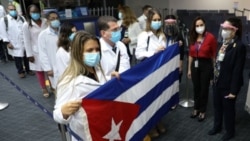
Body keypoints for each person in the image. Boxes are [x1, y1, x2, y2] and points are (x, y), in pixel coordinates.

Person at [53, 31, 107, 141]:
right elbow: (57, 114)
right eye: (89, 50)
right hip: (84, 134)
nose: (95, 53)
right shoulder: (69, 82)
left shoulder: (98, 69)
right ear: (78, 53)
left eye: (97, 49)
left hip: (104, 128)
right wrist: (64, 111)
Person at [208, 17, 246, 141]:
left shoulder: (239, 46)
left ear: (234, 31)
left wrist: (233, 91)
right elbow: (217, 63)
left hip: (229, 85)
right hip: (217, 81)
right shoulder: (222, 43)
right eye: (223, 28)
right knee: (217, 106)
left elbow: (237, 70)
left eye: (226, 28)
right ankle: (217, 127)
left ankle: (230, 131)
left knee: (228, 109)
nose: (223, 30)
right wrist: (212, 78)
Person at [136, 8, 166, 138]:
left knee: (158, 97)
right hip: (148, 72)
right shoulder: (144, 35)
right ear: (149, 21)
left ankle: (158, 120)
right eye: (155, 20)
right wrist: (154, 53)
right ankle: (150, 126)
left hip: (159, 71)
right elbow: (138, 55)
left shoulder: (162, 35)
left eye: (159, 20)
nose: (157, 22)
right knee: (149, 99)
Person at [188, 16, 217, 121]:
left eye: (201, 25)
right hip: (195, 64)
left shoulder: (211, 37)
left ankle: (202, 110)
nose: (199, 27)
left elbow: (213, 55)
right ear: (194, 27)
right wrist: (189, 69)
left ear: (204, 25)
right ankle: (196, 108)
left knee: (204, 89)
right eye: (197, 26)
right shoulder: (192, 37)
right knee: (196, 88)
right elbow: (190, 54)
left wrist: (214, 71)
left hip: (206, 64)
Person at [0, 4, 33, 78]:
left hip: (24, 40)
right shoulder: (4, 20)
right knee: (18, 58)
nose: (13, 11)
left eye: (14, 9)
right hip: (14, 42)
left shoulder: (21, 18)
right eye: (11, 10)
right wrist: (7, 43)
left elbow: (26, 28)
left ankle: (28, 69)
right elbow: (3, 32)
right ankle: (20, 71)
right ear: (7, 10)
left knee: (26, 56)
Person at [23, 4, 48, 97]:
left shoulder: (45, 21)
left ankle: (53, 86)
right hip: (36, 51)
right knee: (40, 70)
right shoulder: (26, 25)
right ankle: (44, 88)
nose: (35, 13)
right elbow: (26, 40)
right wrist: (29, 54)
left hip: (47, 50)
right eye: (33, 12)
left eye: (37, 11)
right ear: (29, 13)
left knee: (49, 69)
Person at [97, 16, 130, 80]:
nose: (118, 32)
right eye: (115, 30)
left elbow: (126, 66)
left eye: (118, 29)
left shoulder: (121, 45)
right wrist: (110, 78)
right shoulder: (97, 50)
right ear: (103, 33)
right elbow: (97, 77)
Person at [164, 14, 185, 110]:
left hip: (175, 63)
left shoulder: (179, 35)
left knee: (175, 83)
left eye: (171, 23)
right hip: (164, 63)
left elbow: (181, 52)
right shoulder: (162, 35)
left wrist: (180, 65)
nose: (169, 25)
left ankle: (174, 101)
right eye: (167, 23)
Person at [38, 11, 60, 90]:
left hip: (65, 65)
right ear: (47, 21)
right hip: (53, 67)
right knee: (57, 88)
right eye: (52, 19)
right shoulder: (43, 35)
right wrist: (48, 69)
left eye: (57, 18)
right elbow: (42, 53)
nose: (55, 20)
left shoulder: (63, 32)